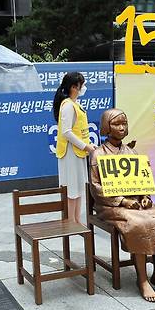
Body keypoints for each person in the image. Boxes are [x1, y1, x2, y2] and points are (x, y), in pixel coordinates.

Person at [89, 108, 155, 303]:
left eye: (123, 124)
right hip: (111, 205)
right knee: (137, 225)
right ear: (106, 127)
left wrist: (144, 195)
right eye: (116, 124)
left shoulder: (131, 151)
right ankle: (142, 280)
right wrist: (122, 200)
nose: (121, 128)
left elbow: (142, 179)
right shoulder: (98, 154)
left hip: (136, 203)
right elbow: (96, 188)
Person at [53, 72, 96, 224]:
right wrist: (86, 146)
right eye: (81, 85)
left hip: (79, 152)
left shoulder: (75, 104)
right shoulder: (68, 106)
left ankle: (77, 219)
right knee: (71, 188)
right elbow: (66, 132)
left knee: (78, 187)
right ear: (73, 87)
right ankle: (70, 221)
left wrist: (87, 146)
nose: (83, 88)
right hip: (70, 153)